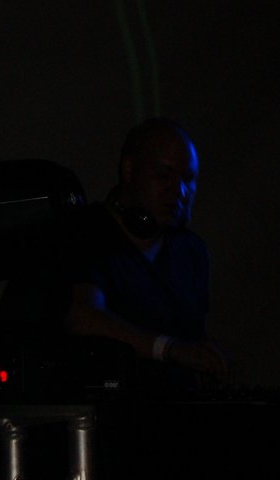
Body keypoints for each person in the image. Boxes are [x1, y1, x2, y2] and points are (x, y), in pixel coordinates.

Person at [64, 117, 229, 394]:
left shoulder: (190, 251)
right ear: (129, 170)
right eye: (164, 175)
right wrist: (167, 349)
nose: (179, 191)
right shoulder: (87, 231)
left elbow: (192, 339)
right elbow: (82, 318)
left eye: (188, 180)